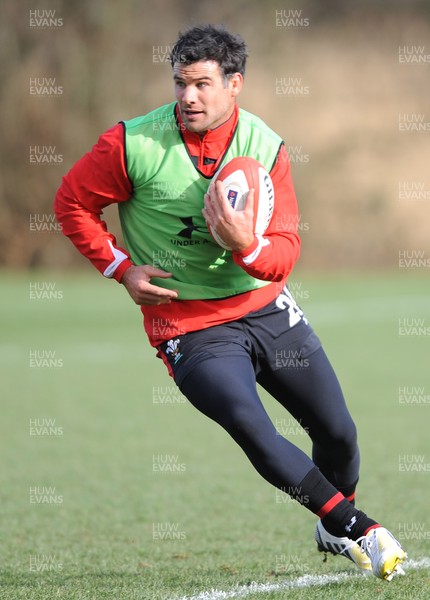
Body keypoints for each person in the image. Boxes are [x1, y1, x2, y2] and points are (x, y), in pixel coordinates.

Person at [54, 24, 406, 581]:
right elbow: (72, 202)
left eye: (201, 84)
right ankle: (358, 527)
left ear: (235, 83)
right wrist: (120, 268)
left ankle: (329, 522)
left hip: (265, 306)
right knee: (253, 426)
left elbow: (286, 251)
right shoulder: (131, 143)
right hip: (188, 326)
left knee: (338, 433)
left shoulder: (266, 146)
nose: (187, 97)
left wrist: (248, 248)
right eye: (179, 84)